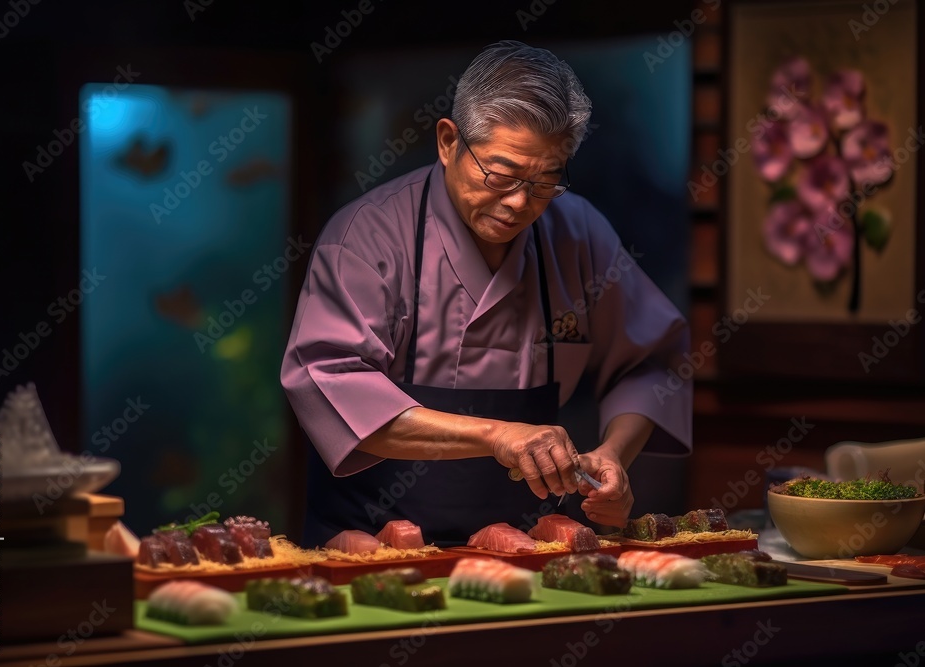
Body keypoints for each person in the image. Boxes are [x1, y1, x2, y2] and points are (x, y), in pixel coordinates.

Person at [281, 40, 691, 548]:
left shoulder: (579, 232)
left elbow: (651, 361)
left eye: (545, 180)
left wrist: (614, 454)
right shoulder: (367, 236)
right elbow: (330, 382)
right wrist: (497, 435)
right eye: (501, 174)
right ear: (449, 142)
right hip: (375, 543)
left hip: (526, 545)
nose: (520, 202)